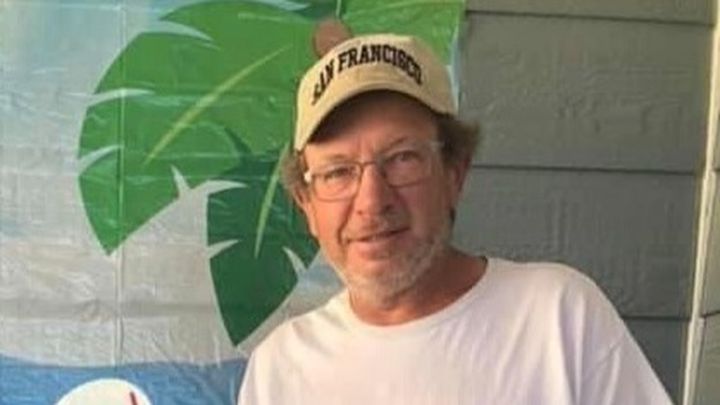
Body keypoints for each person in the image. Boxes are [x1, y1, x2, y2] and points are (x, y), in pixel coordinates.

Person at [237, 32, 672, 405]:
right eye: (337, 172)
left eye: (403, 158)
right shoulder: (280, 368)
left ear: (454, 174)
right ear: (307, 205)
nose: (372, 201)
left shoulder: (560, 318)